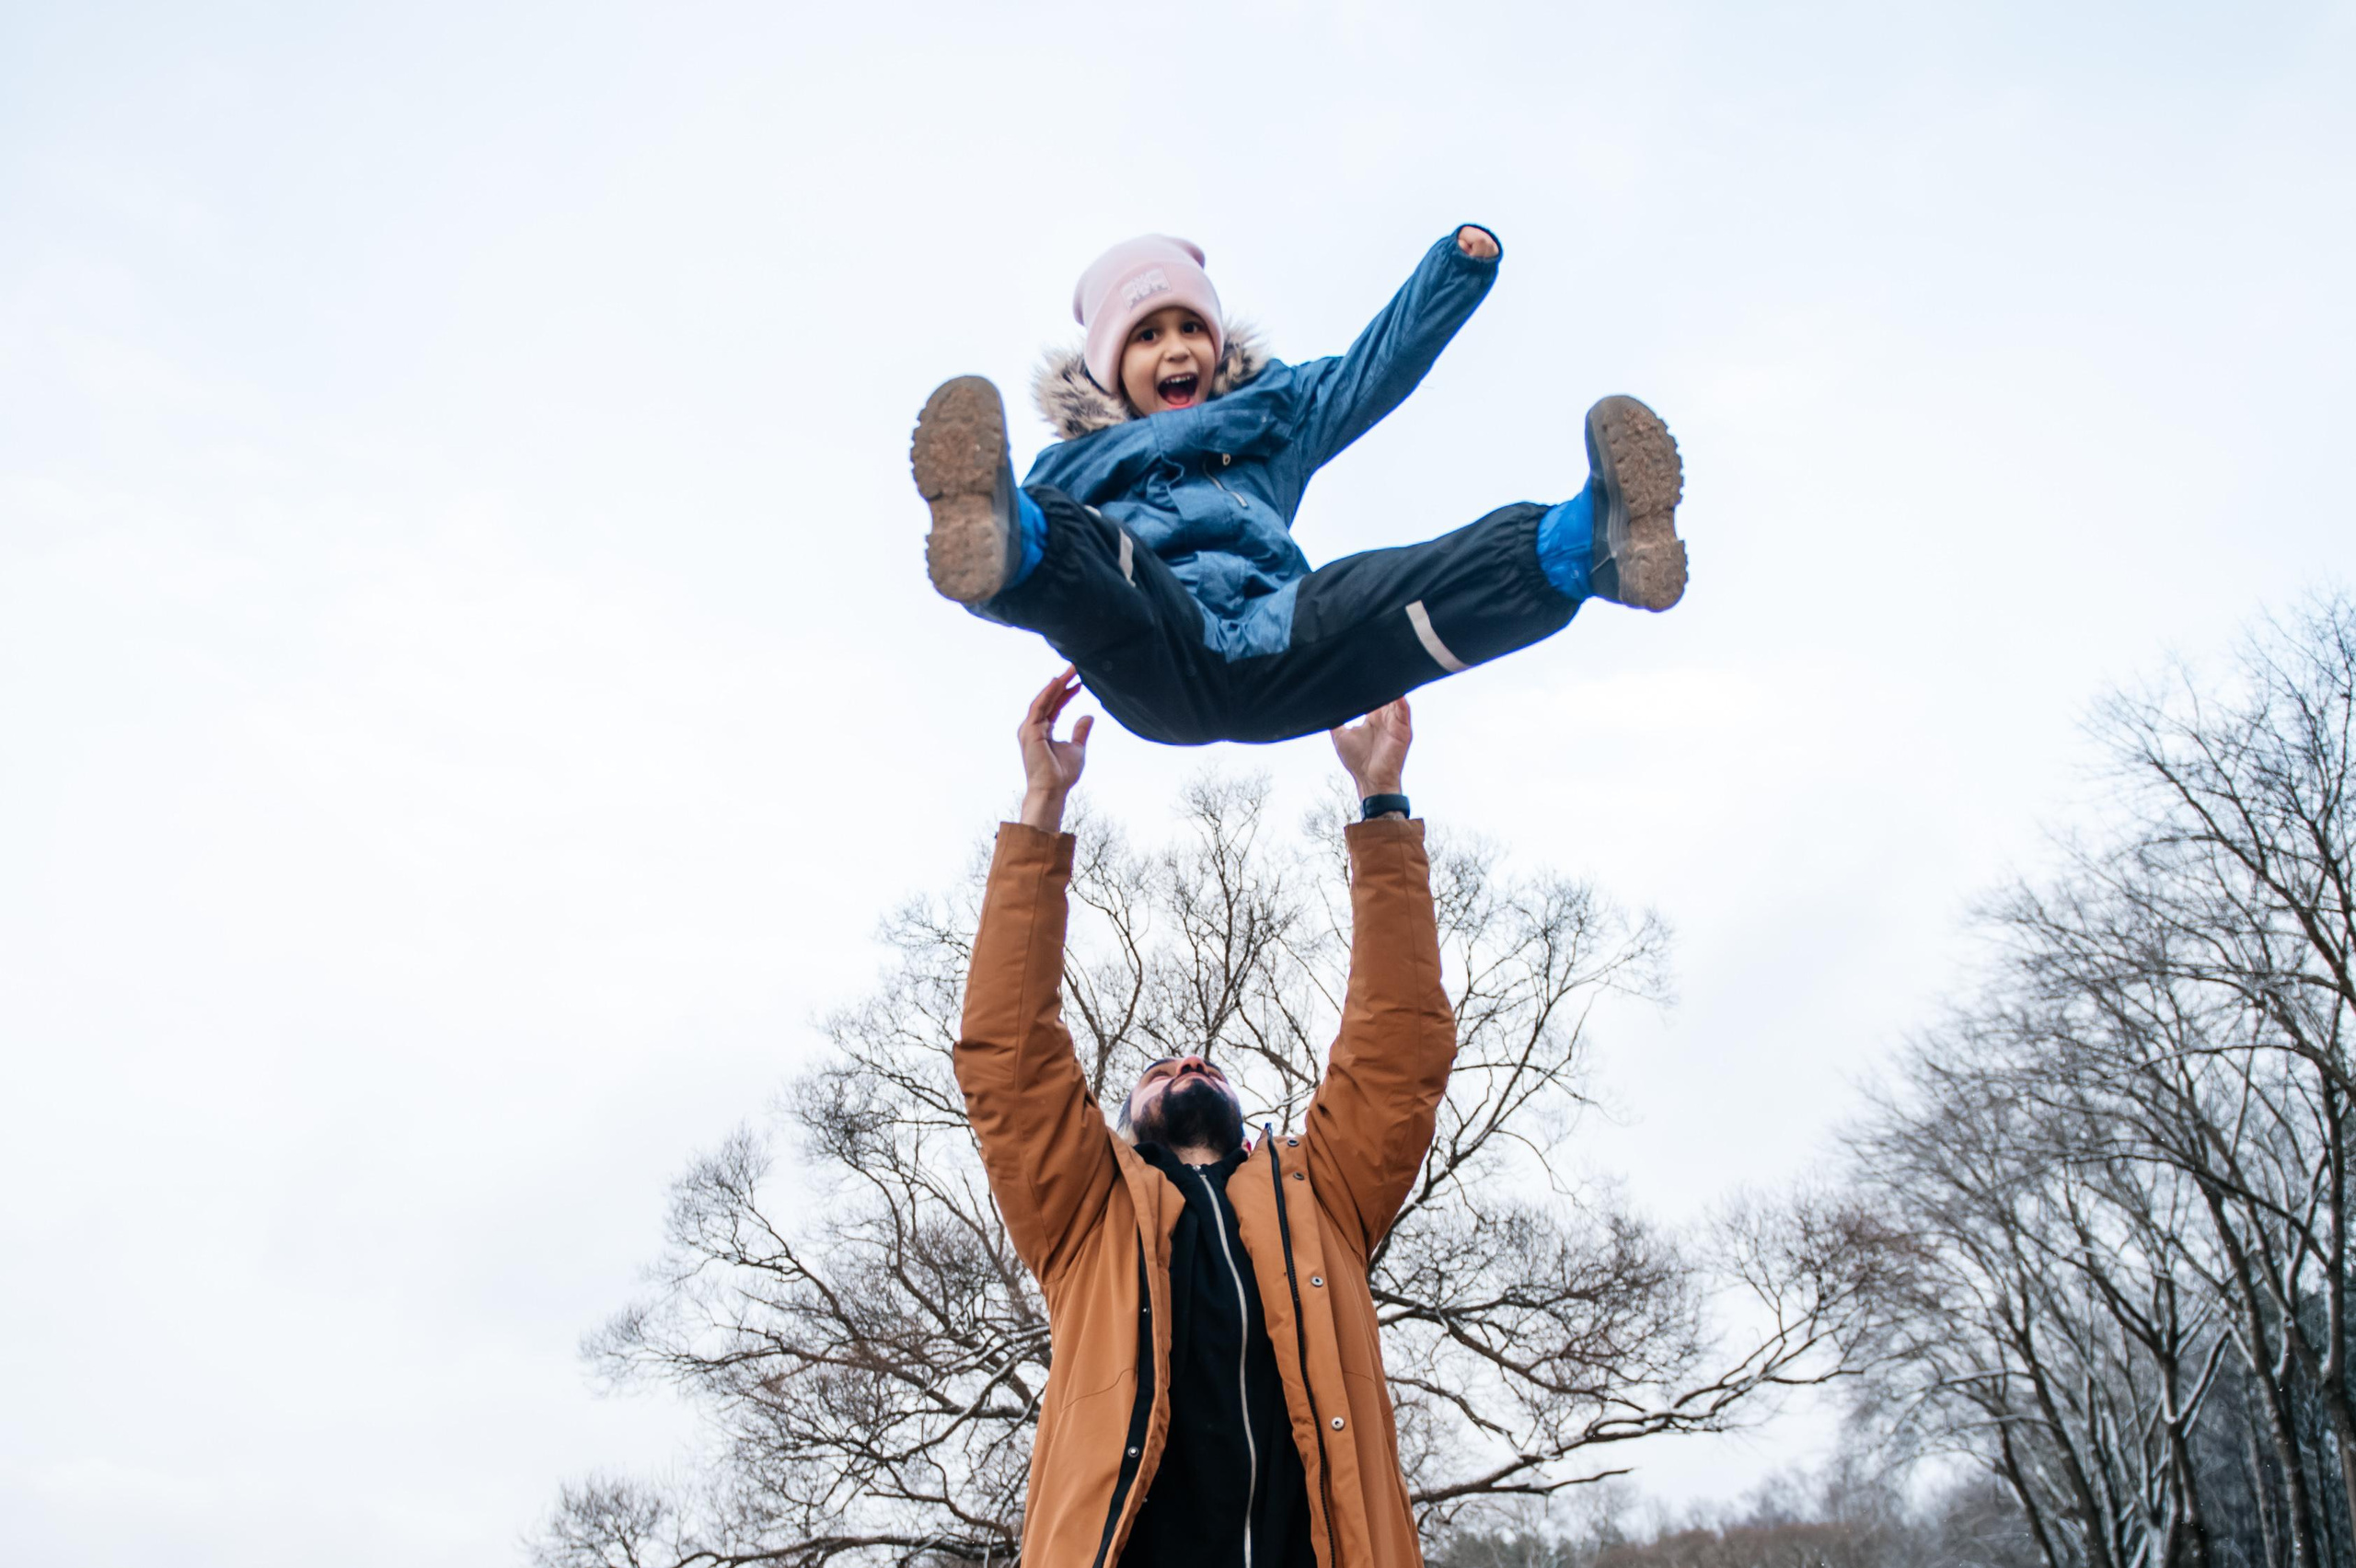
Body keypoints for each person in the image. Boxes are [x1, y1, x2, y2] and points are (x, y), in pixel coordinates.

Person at [953, 666, 1457, 1568]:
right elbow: (1009, 1052)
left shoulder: (1325, 1198)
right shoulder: (1084, 1217)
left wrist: (1381, 800)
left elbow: (1399, 1043)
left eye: (1204, 1066)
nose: (1187, 1064)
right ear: (1125, 1124)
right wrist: (1041, 806)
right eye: (1160, 1071)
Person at [909, 225, 1687, 745]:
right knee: (1090, 550)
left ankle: (1586, 544)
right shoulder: (1078, 466)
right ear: (1110, 367)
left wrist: (1451, 275)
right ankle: (1005, 537)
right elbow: (1072, 588)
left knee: (1380, 586)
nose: (1176, 350)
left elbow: (1370, 371)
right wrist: (1002, 551)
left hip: (1281, 639)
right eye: (1147, 336)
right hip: (1159, 648)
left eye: (1191, 328)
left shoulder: (1271, 420)